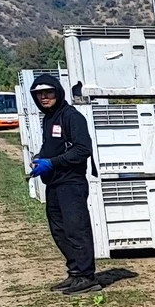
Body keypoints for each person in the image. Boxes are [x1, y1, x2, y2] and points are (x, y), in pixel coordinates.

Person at [27, 74, 97, 293]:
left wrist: (53, 162)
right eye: (39, 94)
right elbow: (55, 146)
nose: (44, 97)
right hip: (54, 183)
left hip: (71, 183)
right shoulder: (48, 118)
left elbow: (83, 149)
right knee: (59, 230)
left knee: (77, 229)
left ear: (58, 92)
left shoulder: (71, 116)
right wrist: (40, 157)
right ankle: (75, 271)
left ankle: (87, 276)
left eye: (48, 93)